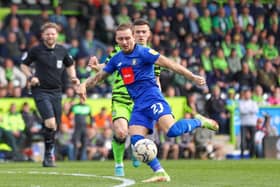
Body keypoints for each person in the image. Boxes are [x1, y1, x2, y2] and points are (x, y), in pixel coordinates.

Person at [78, 23, 218, 183]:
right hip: (138, 105)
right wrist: (83, 84)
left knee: (172, 131)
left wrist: (191, 76)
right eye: (120, 39)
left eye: (127, 38)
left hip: (153, 98)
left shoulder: (144, 52)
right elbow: (99, 77)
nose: (124, 42)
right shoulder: (117, 58)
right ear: (116, 40)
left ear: (133, 37)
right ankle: (160, 172)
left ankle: (199, 121)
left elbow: (170, 64)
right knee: (136, 141)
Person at [87, 19, 161, 177]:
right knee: (121, 132)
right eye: (138, 32)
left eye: (143, 32)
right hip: (121, 97)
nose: (140, 35)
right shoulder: (119, 51)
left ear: (148, 34)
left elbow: (156, 81)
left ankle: (137, 152)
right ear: (133, 34)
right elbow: (107, 67)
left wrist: (158, 99)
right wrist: (95, 67)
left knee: (140, 136)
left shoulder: (153, 56)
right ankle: (119, 163)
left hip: (142, 100)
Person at [20, 22, 80, 167]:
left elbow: (70, 64)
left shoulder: (62, 50)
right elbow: (23, 65)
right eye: (47, 34)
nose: (50, 36)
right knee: (51, 123)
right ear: (43, 36)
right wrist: (30, 77)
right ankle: (48, 156)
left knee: (55, 126)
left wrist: (73, 78)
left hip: (56, 92)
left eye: (53, 33)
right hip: (40, 90)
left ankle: (46, 144)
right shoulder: (36, 50)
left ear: (57, 35)